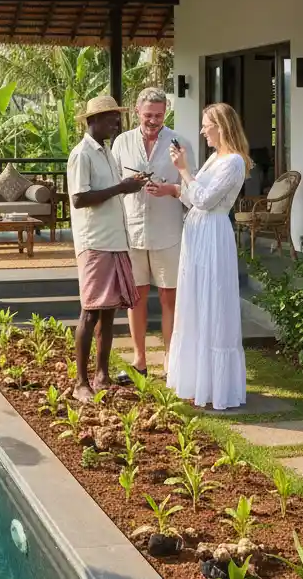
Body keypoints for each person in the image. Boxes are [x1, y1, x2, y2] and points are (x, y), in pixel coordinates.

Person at [162, 102, 251, 410]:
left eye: (206, 126)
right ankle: (196, 381)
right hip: (197, 233)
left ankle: (217, 387)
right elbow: (192, 197)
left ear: (221, 127)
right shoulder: (215, 158)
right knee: (195, 303)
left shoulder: (234, 162)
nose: (202, 131)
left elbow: (205, 199)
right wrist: (175, 187)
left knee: (213, 303)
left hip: (213, 235)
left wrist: (184, 170)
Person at [66, 95, 147, 403]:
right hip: (95, 242)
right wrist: (121, 188)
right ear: (93, 121)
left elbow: (109, 193)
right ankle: (81, 382)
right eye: (111, 119)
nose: (116, 123)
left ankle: (102, 375)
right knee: (90, 312)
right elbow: (79, 198)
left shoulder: (108, 154)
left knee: (109, 312)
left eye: (117, 118)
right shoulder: (82, 155)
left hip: (115, 240)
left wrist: (128, 183)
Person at [112, 87, 190, 378]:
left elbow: (192, 188)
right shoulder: (121, 142)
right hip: (132, 231)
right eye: (148, 115)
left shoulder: (179, 142)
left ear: (165, 113)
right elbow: (115, 185)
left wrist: (169, 190)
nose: (153, 120)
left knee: (170, 298)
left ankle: (171, 358)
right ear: (137, 112)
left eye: (158, 115)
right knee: (136, 297)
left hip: (168, 232)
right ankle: (139, 359)